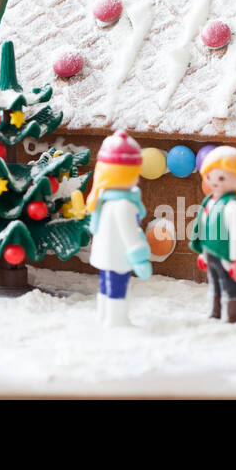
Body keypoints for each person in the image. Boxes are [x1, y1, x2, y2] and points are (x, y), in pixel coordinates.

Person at [87, 130, 151, 326]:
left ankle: (104, 314)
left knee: (105, 284)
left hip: (104, 254)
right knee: (117, 286)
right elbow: (130, 234)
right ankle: (117, 319)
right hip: (118, 256)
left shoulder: (102, 199)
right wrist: (139, 258)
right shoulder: (124, 204)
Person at [188, 146, 236, 323]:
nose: (215, 182)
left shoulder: (235, 205)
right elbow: (204, 228)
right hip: (211, 253)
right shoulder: (209, 201)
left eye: (221, 177)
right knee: (215, 284)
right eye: (210, 176)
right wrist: (203, 253)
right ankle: (216, 312)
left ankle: (233, 316)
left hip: (228, 256)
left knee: (230, 286)